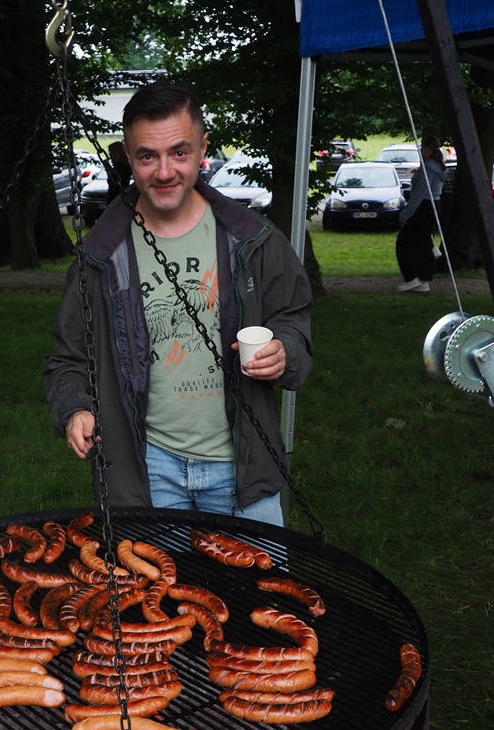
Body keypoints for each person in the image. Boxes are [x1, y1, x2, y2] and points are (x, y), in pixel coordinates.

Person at [43, 83, 313, 526]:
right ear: (128, 156)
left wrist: (283, 350)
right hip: (147, 469)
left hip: (243, 466)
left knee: (258, 575)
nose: (165, 171)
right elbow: (68, 358)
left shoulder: (252, 239)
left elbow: (293, 320)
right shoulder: (101, 253)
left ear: (203, 147)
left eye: (180, 152)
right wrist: (74, 408)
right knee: (154, 576)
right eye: (147, 156)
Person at [396, 136, 448, 295]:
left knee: (404, 243)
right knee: (424, 244)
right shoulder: (437, 166)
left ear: (426, 148)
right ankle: (423, 281)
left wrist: (405, 214)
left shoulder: (428, 169)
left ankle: (412, 277)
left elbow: (420, 193)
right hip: (433, 206)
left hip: (424, 207)